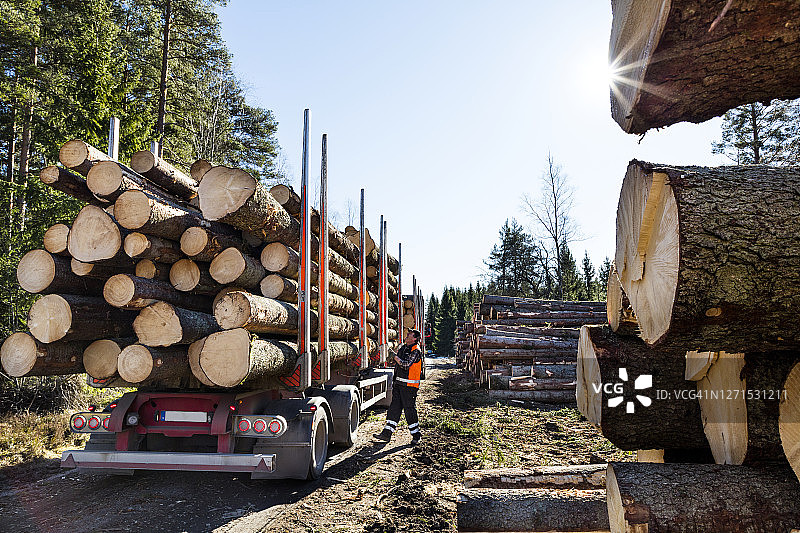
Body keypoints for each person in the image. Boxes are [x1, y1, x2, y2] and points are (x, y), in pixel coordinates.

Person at [374, 329, 423, 444]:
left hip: (409, 387)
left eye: (409, 335)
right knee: (394, 408)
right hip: (399, 384)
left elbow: (405, 365)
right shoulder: (404, 348)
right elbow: (397, 362)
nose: (406, 336)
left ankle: (416, 436)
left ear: (415, 339)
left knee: (409, 410)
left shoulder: (416, 351)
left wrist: (394, 357)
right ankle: (386, 434)